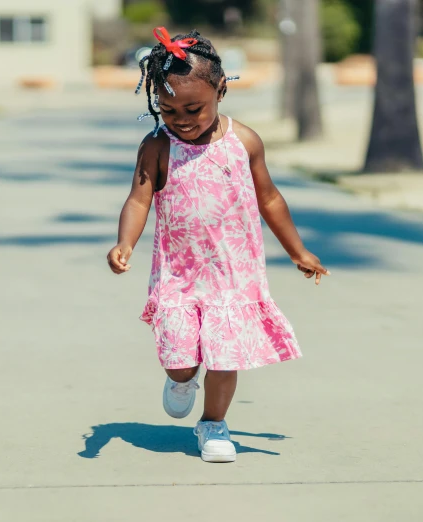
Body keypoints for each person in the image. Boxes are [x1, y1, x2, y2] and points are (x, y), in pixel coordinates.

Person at [106, 27, 329, 463]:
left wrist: (297, 251)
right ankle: (182, 379)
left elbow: (269, 198)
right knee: (180, 360)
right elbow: (138, 198)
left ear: (221, 90)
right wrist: (124, 244)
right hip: (178, 276)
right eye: (168, 110)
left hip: (233, 276)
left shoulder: (243, 142)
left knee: (225, 359)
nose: (182, 119)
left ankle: (212, 424)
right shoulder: (156, 146)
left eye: (194, 108)